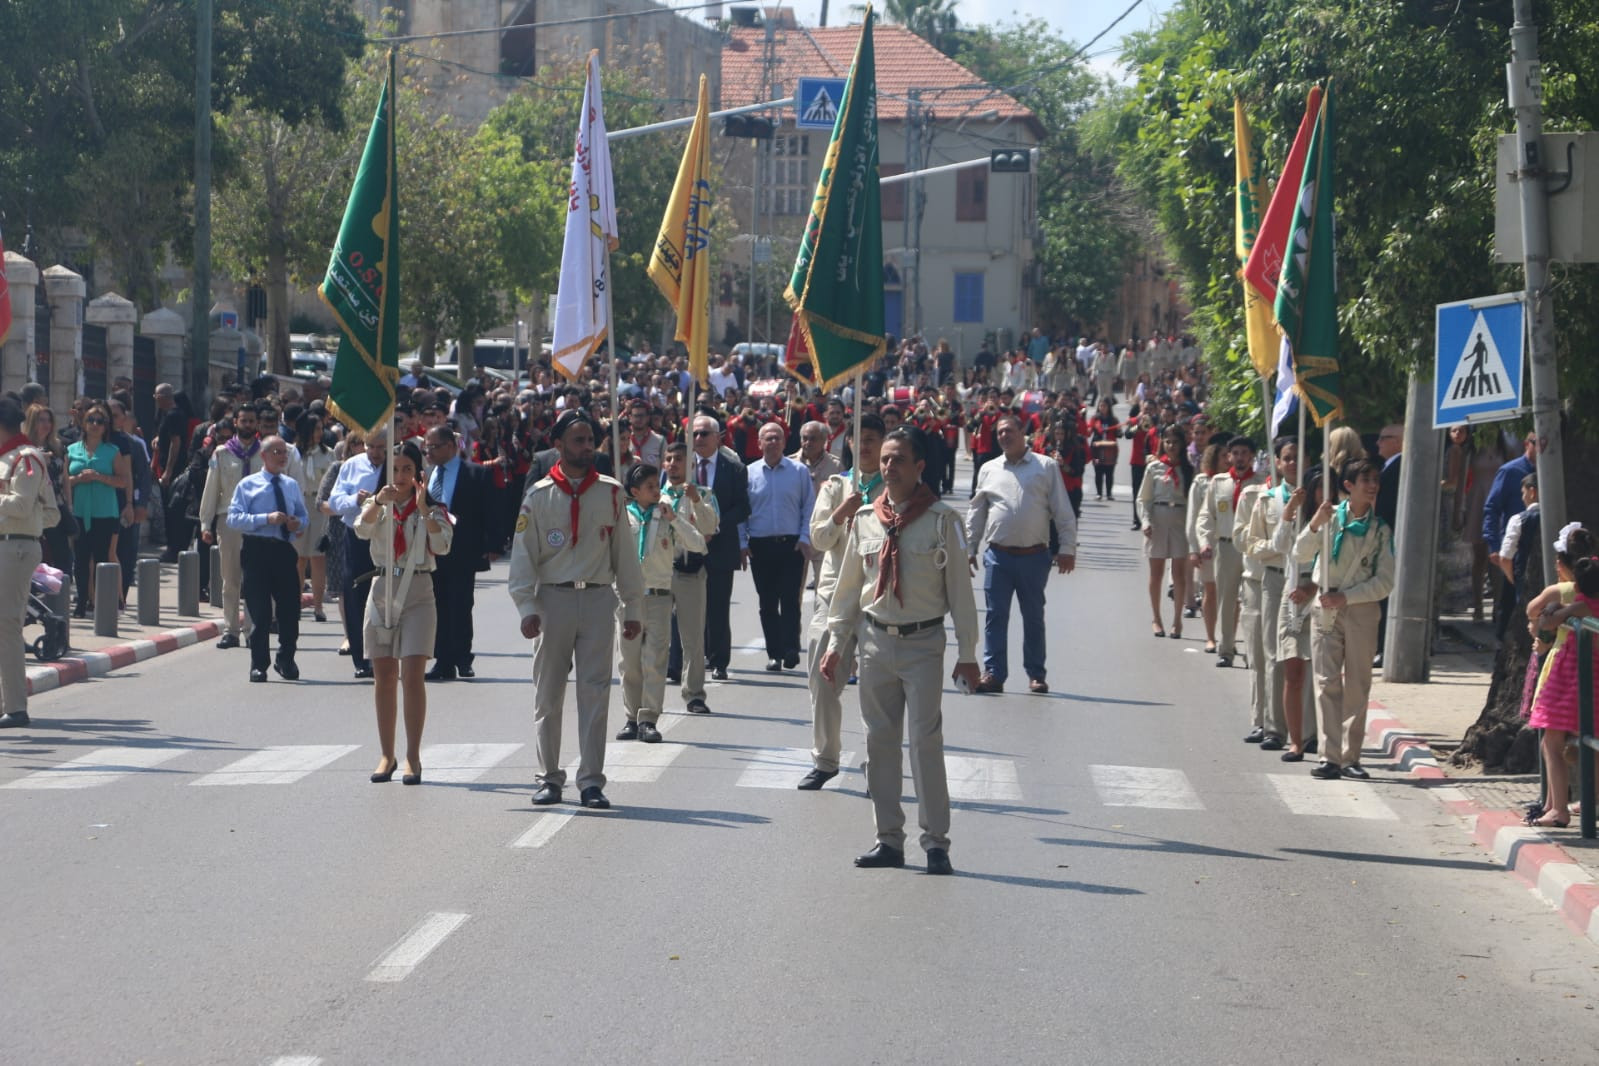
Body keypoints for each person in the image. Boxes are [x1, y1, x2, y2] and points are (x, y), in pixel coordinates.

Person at [822, 427, 980, 875]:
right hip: (875, 641)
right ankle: (888, 839)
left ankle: (936, 843)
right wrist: (838, 644)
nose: (888, 467)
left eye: (898, 460)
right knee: (879, 743)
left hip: (923, 643)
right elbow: (849, 590)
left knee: (925, 744)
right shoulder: (867, 520)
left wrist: (967, 653)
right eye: (885, 459)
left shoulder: (942, 521)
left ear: (919, 467)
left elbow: (961, 596)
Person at [509, 410, 644, 810]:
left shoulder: (612, 493)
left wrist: (633, 608)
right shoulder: (537, 497)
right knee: (548, 693)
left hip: (599, 599)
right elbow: (522, 558)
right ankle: (549, 777)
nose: (587, 447)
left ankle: (591, 782)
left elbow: (625, 557)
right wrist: (527, 606)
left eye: (591, 440)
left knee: (595, 693)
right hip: (553, 600)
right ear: (559, 445)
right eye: (579, 440)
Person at [356, 440, 453, 786]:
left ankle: (413, 755)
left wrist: (424, 509)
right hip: (383, 589)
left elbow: (442, 545)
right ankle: (387, 754)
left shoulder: (433, 508)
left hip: (418, 592)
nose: (400, 476)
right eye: (395, 469)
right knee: (383, 675)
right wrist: (379, 502)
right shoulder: (378, 504)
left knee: (412, 673)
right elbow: (360, 529)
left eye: (407, 469)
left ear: (418, 474)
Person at [1294, 458, 1396, 780]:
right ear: (1348, 486)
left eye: (1375, 479)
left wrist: (1348, 597)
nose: (1372, 485)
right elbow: (1300, 553)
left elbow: (1385, 581)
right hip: (1325, 605)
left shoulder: (1380, 530)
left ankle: (1351, 757)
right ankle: (1329, 756)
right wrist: (1314, 524)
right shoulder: (1328, 517)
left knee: (1357, 683)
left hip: (1361, 610)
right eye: (1365, 479)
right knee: (1326, 682)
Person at [799, 414, 886, 789]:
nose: (864, 446)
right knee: (822, 677)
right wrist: (841, 512)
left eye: (871, 439)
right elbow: (817, 539)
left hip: (876, 597)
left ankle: (878, 764)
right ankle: (826, 759)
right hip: (833, 595)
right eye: (858, 439)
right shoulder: (836, 486)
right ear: (847, 444)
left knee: (877, 688)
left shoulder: (894, 489)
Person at [966, 413, 1077, 694]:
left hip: (1034, 556)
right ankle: (993, 673)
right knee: (995, 616)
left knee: (1033, 617)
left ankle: (1036, 674)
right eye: (1000, 432)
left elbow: (1062, 511)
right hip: (998, 556)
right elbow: (977, 512)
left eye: (1009, 431)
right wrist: (969, 547)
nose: (1004, 436)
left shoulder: (1045, 466)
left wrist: (1067, 548)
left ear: (1022, 433)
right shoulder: (989, 468)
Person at [615, 461, 707, 744]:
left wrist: (675, 520)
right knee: (629, 662)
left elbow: (698, 544)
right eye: (650, 487)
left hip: (658, 596)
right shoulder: (622, 517)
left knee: (655, 660)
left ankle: (648, 718)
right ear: (634, 491)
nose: (657, 491)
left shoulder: (665, 515)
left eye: (658, 485)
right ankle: (631, 716)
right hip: (629, 598)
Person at [1521, 525, 1599, 828]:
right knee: (1589, 744)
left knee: (1551, 745)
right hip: (1592, 685)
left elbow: (1549, 619)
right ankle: (1584, 803)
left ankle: (1558, 809)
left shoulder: (1579, 605)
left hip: (1569, 683)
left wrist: (1554, 613)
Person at [225, 436, 308, 683]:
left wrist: (297, 523)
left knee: (290, 610)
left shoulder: (291, 485)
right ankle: (258, 664)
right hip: (256, 550)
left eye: (285, 453)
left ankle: (286, 659)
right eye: (276, 452)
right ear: (264, 456)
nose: (282, 457)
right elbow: (233, 519)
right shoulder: (248, 485)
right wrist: (265, 518)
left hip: (283, 550)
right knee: (260, 612)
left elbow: (304, 518)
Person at [422, 424, 501, 681]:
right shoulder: (426, 475)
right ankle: (442, 660)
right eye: (427, 447)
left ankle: (463, 658)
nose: (429, 452)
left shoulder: (475, 474)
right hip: (431, 549)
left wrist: (493, 545)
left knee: (461, 603)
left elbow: (490, 510)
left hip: (462, 548)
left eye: (434, 446)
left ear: (450, 446)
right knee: (436, 606)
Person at [0, 398, 57, 729]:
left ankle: (16, 708)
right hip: (10, 544)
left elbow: (22, 506)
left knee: (7, 626)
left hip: (15, 548)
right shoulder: (11, 458)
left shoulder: (26, 457)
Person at [1238, 440, 1298, 749]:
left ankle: (1303, 730)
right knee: (1267, 655)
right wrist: (1273, 548)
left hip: (1302, 583)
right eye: (1287, 458)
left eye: (1298, 458)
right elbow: (1247, 542)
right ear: (1276, 462)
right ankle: (1270, 725)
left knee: (1300, 656)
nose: (1293, 463)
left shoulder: (1315, 495)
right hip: (1267, 579)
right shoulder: (1264, 498)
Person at [741, 421, 814, 672]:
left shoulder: (799, 471)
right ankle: (774, 654)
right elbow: (742, 512)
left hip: (791, 545)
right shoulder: (749, 472)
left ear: (784, 442)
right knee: (768, 602)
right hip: (760, 546)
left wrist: (805, 537)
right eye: (767, 438)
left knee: (790, 600)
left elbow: (809, 507)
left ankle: (791, 648)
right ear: (759, 443)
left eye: (777, 438)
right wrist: (742, 542)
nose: (772, 442)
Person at [689, 413, 749, 681]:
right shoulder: (684, 465)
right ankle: (692, 657)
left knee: (718, 606)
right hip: (688, 546)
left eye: (704, 434)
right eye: (694, 434)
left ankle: (719, 660)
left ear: (717, 437)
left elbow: (743, 507)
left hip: (720, 545)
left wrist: (715, 525)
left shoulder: (733, 467)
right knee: (689, 606)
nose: (698, 439)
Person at [1196, 436, 1266, 667]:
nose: (1239, 457)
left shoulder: (1262, 484)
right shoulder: (1219, 482)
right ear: (1228, 456)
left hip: (1251, 549)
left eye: (1244, 453)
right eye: (1235, 453)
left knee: (1252, 600)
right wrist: (1205, 541)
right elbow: (1206, 514)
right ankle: (1226, 649)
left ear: (1252, 457)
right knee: (1226, 600)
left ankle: (1254, 649)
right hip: (1226, 547)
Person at [198, 403, 264, 648]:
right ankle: (231, 630)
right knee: (230, 578)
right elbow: (211, 488)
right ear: (235, 422)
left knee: (254, 579)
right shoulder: (221, 453)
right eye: (243, 421)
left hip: (259, 521)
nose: (247, 425)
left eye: (251, 421)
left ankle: (252, 629)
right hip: (229, 520)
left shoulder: (265, 453)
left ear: (256, 424)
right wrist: (206, 522)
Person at [661, 441, 719, 714]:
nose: (673, 464)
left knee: (692, 638)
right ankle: (649, 697)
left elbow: (710, 527)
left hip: (690, 571)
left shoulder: (704, 493)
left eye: (679, 459)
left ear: (691, 464)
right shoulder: (654, 495)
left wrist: (695, 500)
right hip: (660, 572)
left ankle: (694, 693)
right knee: (655, 636)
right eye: (669, 459)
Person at [327, 427, 390, 679]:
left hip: (388, 537)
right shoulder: (351, 465)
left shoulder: (398, 464)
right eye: (371, 447)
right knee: (355, 595)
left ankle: (386, 654)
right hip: (356, 536)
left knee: (387, 596)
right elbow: (334, 501)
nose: (375, 453)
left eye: (381, 448)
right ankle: (361, 659)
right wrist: (354, 499)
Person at [1273, 471, 1323, 761]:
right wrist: (1290, 510)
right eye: (1317, 490)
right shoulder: (1298, 523)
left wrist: (1313, 587)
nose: (1321, 498)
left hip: (1322, 596)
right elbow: (1282, 546)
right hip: (1292, 598)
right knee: (1293, 672)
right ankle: (1295, 742)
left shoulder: (1338, 522)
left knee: (1323, 674)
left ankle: (1318, 735)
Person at [65, 402, 129, 619]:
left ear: (105, 426)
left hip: (105, 513)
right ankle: (82, 603)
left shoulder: (112, 451)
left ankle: (104, 603)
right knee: (81, 559)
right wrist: (78, 479)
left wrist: (101, 477)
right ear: (83, 423)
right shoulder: (72, 450)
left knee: (102, 558)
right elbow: (64, 481)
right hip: (81, 512)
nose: (94, 424)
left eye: (99, 421)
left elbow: (123, 481)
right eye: (91, 420)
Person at [1137, 425, 1191, 638]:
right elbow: (1144, 498)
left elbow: (1193, 500)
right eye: (1167, 441)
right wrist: (1145, 521)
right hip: (1158, 519)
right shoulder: (1154, 468)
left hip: (1180, 520)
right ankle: (1156, 618)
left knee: (1178, 573)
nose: (1171, 446)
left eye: (1175, 442)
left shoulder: (1187, 469)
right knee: (1156, 573)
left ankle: (1177, 620)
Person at [1483, 432, 1537, 641]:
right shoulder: (1510, 471)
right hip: (1514, 547)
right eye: (1535, 442)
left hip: (1542, 545)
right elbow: (1491, 508)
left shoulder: (1554, 467)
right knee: (1510, 602)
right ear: (1526, 444)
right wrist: (1494, 545)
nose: (1540, 446)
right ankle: (1503, 647)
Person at [293, 412, 335, 623]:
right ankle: (296, 603)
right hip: (298, 504)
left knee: (318, 559)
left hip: (319, 506)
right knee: (298, 559)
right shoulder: (293, 454)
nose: (320, 433)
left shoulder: (328, 455)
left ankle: (318, 606)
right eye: (316, 428)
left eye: (321, 428)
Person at [793, 420, 843, 589]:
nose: (808, 443)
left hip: (825, 532)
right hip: (797, 534)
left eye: (813, 439)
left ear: (824, 441)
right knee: (793, 592)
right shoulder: (790, 464)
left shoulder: (836, 466)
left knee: (825, 589)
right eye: (805, 438)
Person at [25, 404, 73, 579]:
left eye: (49, 420)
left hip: (56, 506)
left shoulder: (58, 446)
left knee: (62, 555)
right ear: (31, 422)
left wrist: (69, 504)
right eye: (41, 420)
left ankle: (61, 594)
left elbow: (65, 478)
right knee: (36, 555)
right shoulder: (22, 448)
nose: (46, 424)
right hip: (32, 507)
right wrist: (37, 459)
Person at [1188, 442, 1224, 652]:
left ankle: (1225, 637)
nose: (1228, 459)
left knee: (1232, 597)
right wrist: (1194, 548)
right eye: (1223, 456)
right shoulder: (1202, 482)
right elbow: (1194, 517)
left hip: (1230, 545)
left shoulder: (1238, 482)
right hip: (1208, 544)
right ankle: (1210, 637)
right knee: (1210, 590)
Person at [1087, 398, 1120, 501]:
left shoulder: (1113, 420)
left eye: (1105, 406)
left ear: (1109, 407)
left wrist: (1118, 431)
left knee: (1109, 472)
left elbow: (1119, 434)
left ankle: (1109, 493)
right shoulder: (1095, 419)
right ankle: (1099, 493)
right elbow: (1089, 432)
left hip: (1110, 449)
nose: (1103, 408)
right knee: (1098, 472)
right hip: (1097, 448)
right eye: (1101, 406)